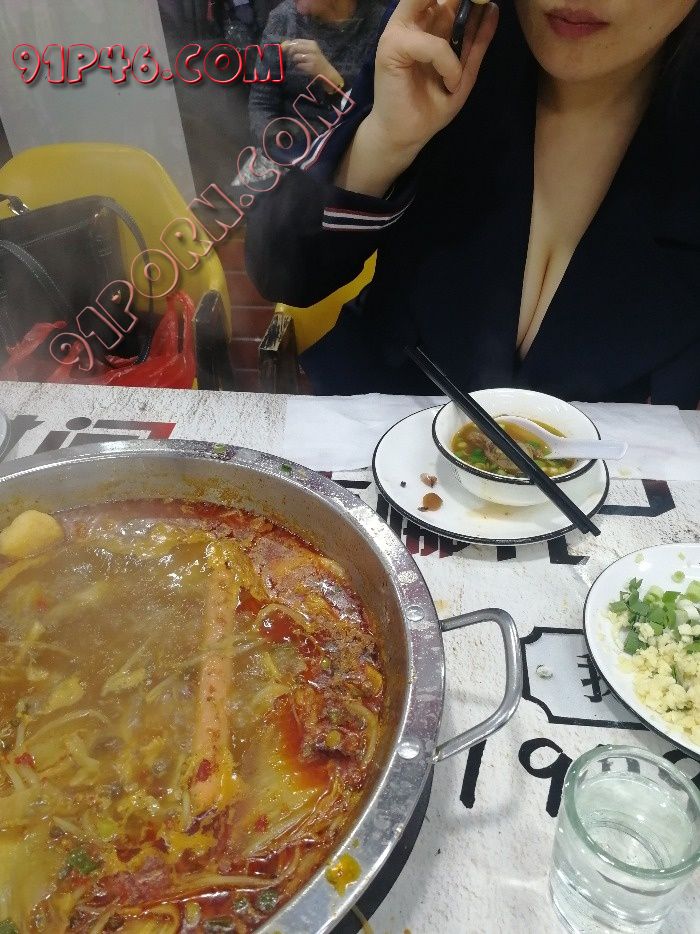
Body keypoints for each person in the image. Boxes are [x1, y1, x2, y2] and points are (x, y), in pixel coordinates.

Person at [244, 0, 700, 407]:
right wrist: (383, 142)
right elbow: (282, 270)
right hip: (383, 432)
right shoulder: (447, 32)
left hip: (613, 467)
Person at [247, 0, 387, 153]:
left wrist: (333, 82)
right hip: (287, 145)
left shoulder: (381, 28)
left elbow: (376, 121)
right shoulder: (284, 18)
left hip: (346, 150)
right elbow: (261, 101)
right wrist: (279, 147)